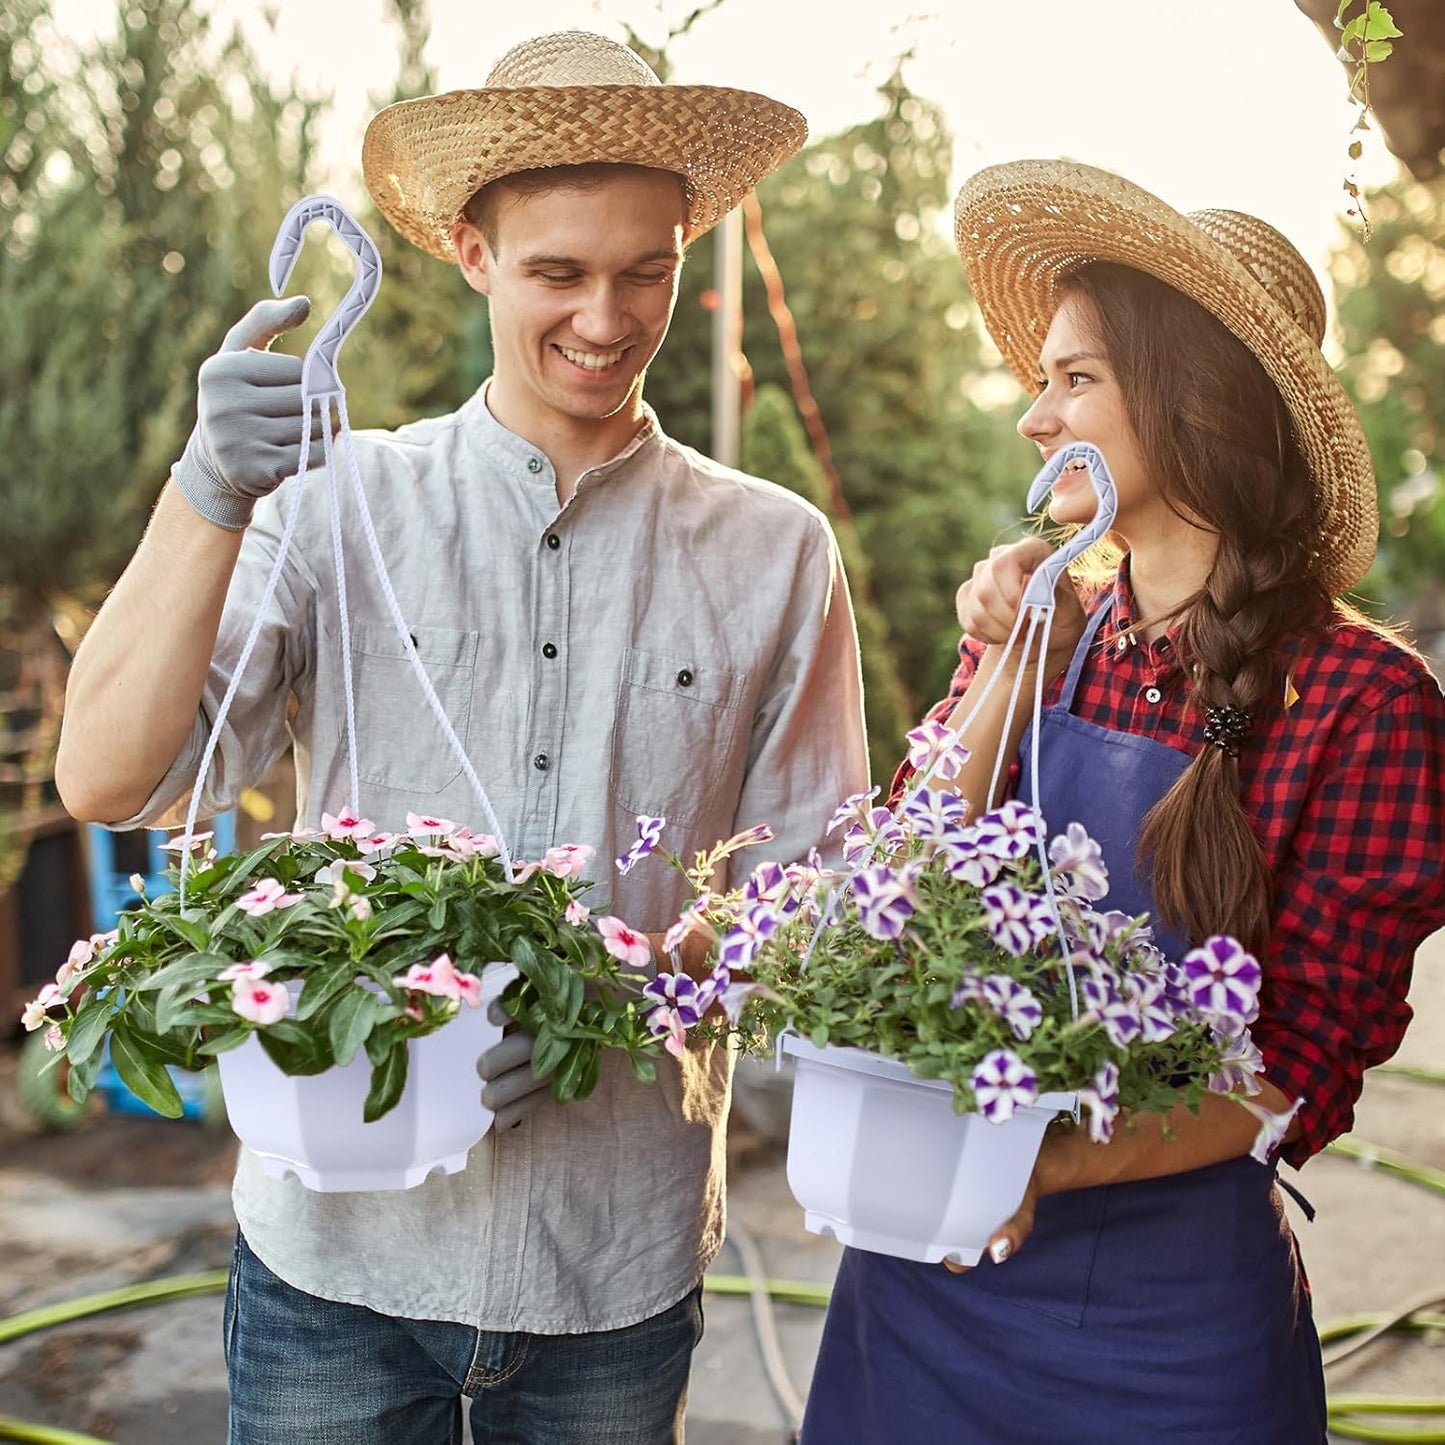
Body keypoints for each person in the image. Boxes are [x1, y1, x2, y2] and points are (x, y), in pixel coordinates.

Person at [54, 30, 868, 1444]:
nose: (606, 318)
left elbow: (813, 903)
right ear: (468, 250)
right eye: (558, 271)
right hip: (335, 1267)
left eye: (646, 270)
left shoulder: (774, 552)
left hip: (610, 1264)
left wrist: (640, 976)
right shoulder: (337, 504)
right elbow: (113, 775)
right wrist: (206, 495)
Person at [801, 160, 1445, 1444]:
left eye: (1072, 378)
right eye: (1038, 380)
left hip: (1163, 1336)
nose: (1033, 418)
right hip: (922, 1286)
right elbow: (885, 882)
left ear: (1192, 399)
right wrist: (1012, 652)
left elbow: (1298, 1067)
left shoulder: (1364, 702)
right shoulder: (1052, 627)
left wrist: (1031, 1160)